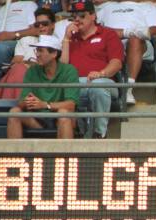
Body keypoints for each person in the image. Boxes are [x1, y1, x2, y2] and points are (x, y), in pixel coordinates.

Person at [59, 0, 123, 139]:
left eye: (82, 16)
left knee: (98, 86)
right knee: (64, 87)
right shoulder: (71, 38)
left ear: (93, 16)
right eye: (74, 16)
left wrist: (101, 73)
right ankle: (80, 131)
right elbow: (62, 68)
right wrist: (65, 39)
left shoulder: (108, 34)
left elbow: (116, 63)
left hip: (103, 82)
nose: (77, 19)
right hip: (76, 84)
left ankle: (99, 133)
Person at [7, 35, 79, 139]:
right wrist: (29, 101)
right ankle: (13, 155)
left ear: (54, 53)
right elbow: (21, 102)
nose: (37, 54)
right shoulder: (32, 70)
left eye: (41, 51)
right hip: (37, 119)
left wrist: (44, 105)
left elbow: (71, 105)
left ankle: (64, 155)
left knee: (63, 113)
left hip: (59, 117)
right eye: (37, 51)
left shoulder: (69, 70)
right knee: (14, 112)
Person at [96, 0, 156, 104]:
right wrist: (114, 34)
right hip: (110, 42)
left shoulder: (147, 7)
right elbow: (94, 28)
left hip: (140, 44)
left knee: (134, 39)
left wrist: (127, 33)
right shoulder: (105, 7)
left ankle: (128, 88)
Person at [0, 7, 56, 100]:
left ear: (53, 25)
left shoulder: (57, 43)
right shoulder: (26, 40)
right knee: (17, 69)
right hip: (21, 77)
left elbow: (55, 68)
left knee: (19, 70)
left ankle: (4, 106)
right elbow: (15, 62)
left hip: (43, 79)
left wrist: (29, 65)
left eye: (45, 24)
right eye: (37, 24)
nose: (41, 27)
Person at [0, 0, 38, 64]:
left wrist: (13, 34)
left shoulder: (28, 5)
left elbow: (36, 30)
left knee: (1, 48)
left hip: (15, 42)